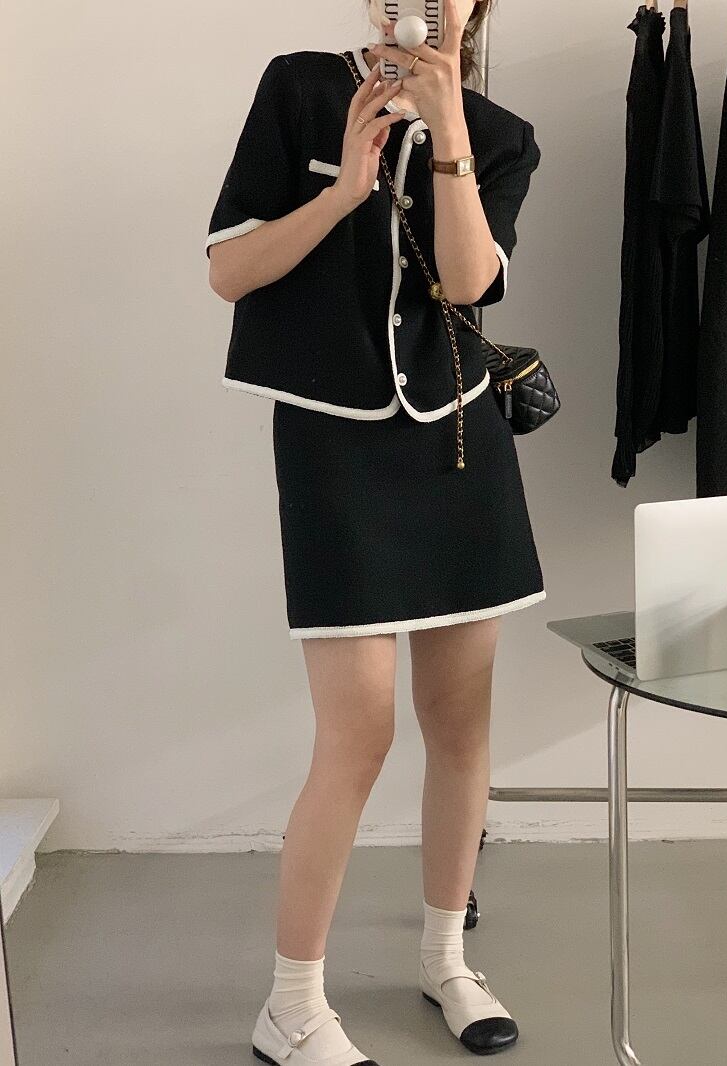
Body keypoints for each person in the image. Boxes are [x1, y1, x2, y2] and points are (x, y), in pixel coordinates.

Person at [205, 1, 545, 1062]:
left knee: (461, 723)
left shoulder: (500, 135)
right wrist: (341, 194)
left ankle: (445, 959)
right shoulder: (299, 87)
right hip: (334, 447)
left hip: (458, 446)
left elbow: (468, 282)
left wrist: (447, 132)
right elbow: (229, 270)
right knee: (357, 732)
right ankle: (291, 1003)